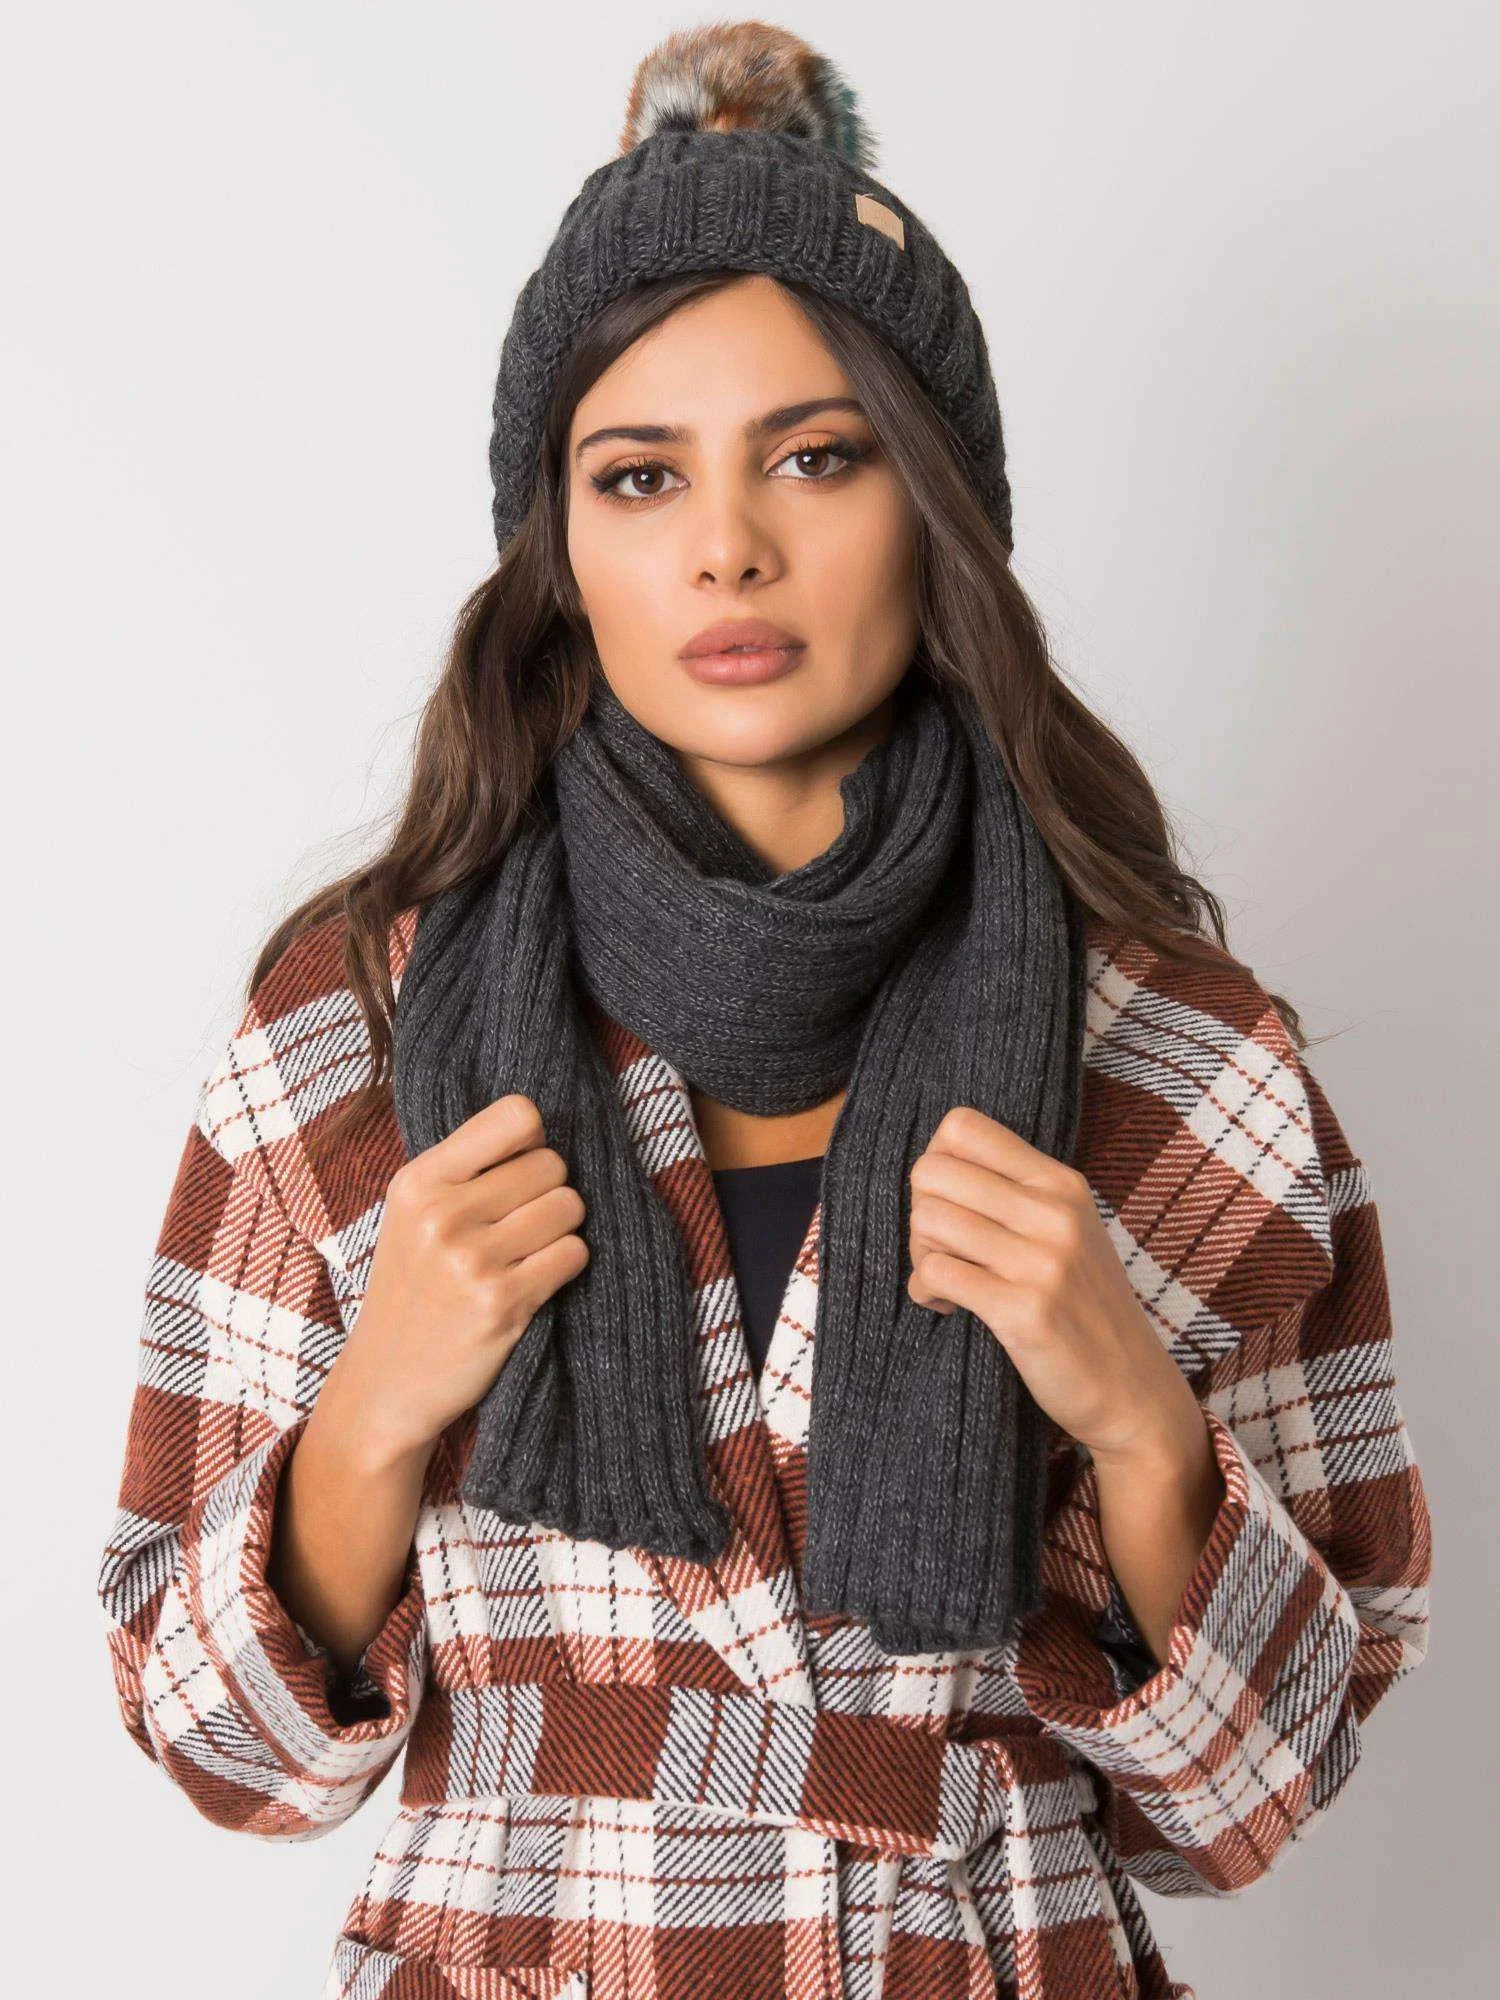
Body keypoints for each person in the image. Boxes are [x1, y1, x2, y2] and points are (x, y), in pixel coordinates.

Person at [95, 22, 1433, 1999]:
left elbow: (1256, 1796)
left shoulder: (1184, 1064)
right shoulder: (351, 1033)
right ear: (563, 549)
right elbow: (218, 1749)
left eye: (818, 456)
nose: (728, 544)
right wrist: (375, 1407)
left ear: (936, 502)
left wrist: (1144, 1432)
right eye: (641, 477)